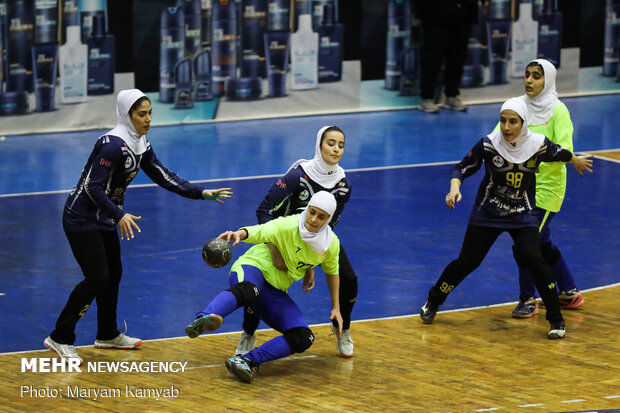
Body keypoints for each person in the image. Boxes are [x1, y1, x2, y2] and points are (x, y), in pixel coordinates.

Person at [44, 89, 232, 364]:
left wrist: (201, 192)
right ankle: (60, 336)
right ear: (126, 114)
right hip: (81, 219)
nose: (148, 119)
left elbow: (163, 175)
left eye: (150, 113)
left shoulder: (139, 143)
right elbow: (91, 187)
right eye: (141, 114)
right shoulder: (112, 146)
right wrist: (119, 215)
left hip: (105, 218)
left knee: (113, 274)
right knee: (97, 277)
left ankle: (107, 334)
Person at [419, 97, 593, 339]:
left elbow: (560, 153)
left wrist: (575, 160)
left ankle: (556, 319)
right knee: (467, 262)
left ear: (524, 123)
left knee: (534, 258)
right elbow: (461, 168)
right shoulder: (489, 144)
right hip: (488, 211)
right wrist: (454, 188)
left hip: (522, 213)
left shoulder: (538, 144)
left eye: (513, 122)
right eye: (503, 121)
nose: (507, 127)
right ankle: (433, 300)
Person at [184, 191, 343, 383]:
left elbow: (332, 272)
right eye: (312, 212)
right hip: (253, 268)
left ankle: (246, 361)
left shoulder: (330, 244)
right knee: (249, 290)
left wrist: (336, 308)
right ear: (307, 209)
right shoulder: (289, 224)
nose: (313, 219)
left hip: (274, 290)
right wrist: (239, 234)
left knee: (303, 336)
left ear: (329, 219)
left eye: (321, 216)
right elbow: (261, 231)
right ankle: (204, 318)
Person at [235, 125, 356, 358]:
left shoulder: (344, 186)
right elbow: (264, 210)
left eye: (341, 145)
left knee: (349, 279)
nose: (336, 149)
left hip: (317, 240)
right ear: (319, 145)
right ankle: (248, 333)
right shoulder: (297, 176)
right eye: (330, 143)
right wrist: (274, 248)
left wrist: (312, 262)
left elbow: (329, 225)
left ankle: (343, 328)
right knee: (261, 282)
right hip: (283, 236)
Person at [508, 59, 585, 318]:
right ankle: (569, 292)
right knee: (542, 241)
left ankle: (528, 298)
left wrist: (530, 153)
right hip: (520, 186)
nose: (529, 80)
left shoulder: (559, 111)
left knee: (525, 243)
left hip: (547, 189)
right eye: (527, 75)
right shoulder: (518, 106)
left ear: (548, 80)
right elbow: (498, 136)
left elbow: (565, 150)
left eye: (536, 76)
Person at [418, 0, 478, 113]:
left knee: (458, 58)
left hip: (463, 14)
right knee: (432, 58)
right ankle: (427, 98)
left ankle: (452, 96)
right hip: (435, 15)